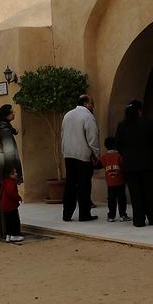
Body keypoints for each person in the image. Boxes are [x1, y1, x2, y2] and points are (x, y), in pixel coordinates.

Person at [116, 100, 153, 227]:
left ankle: (139, 220)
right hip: (146, 162)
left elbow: (118, 144)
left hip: (130, 164)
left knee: (135, 194)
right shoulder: (147, 123)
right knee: (149, 192)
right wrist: (147, 149)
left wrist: (126, 153)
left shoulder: (122, 125)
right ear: (139, 110)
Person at [0, 104, 23, 240]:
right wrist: (12, 172)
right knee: (10, 204)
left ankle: (4, 232)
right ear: (6, 115)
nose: (14, 114)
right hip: (5, 173)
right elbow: (9, 152)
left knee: (0, 203)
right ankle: (13, 233)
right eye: (12, 113)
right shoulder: (5, 131)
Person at [61, 94, 100, 222]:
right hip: (83, 156)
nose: (93, 106)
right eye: (92, 103)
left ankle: (67, 214)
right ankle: (84, 214)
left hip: (68, 155)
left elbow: (62, 135)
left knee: (70, 185)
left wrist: (64, 151)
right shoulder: (88, 116)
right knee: (84, 186)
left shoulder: (67, 115)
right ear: (86, 103)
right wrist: (96, 155)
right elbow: (92, 138)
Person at [100, 136, 129, 222]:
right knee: (121, 199)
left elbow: (98, 164)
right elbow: (124, 166)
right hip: (120, 182)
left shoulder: (104, 157)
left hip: (110, 183)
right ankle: (123, 215)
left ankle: (111, 216)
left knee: (111, 200)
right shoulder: (119, 156)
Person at [0, 167, 25, 243]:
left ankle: (8, 235)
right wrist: (18, 198)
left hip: (5, 205)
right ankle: (14, 235)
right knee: (14, 220)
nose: (16, 174)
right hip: (10, 205)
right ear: (10, 175)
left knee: (8, 221)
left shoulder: (4, 182)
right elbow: (11, 192)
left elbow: (1, 193)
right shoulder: (11, 182)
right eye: (14, 173)